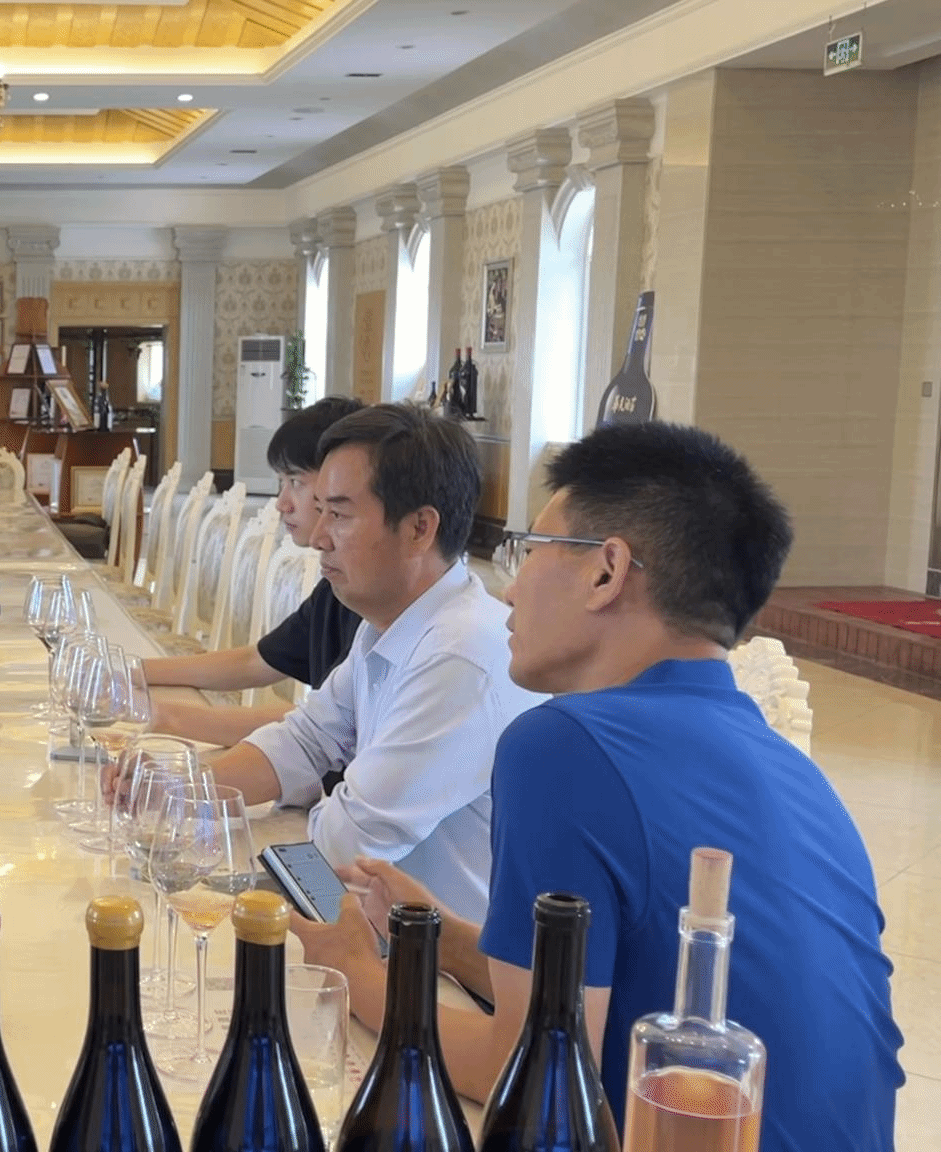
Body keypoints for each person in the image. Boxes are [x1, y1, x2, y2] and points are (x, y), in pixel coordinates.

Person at [290, 422, 903, 1149]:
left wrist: (357, 975)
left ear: (607, 572)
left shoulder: (564, 744)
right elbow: (622, 980)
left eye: (529, 550)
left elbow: (520, 1071)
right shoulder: (798, 775)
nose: (510, 588)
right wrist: (448, 943)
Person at [208, 404, 544, 922]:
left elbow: (349, 842)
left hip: (437, 957)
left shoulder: (462, 655)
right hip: (373, 920)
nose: (318, 537)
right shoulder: (390, 622)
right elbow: (304, 740)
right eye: (320, 511)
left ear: (419, 528)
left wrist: (311, 808)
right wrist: (181, 792)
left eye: (339, 515)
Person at [144, 396, 365, 751]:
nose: (281, 503)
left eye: (295, 481)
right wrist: (134, 673)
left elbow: (326, 729)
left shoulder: (379, 603)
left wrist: (161, 716)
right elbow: (257, 660)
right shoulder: (336, 588)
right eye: (281, 482)